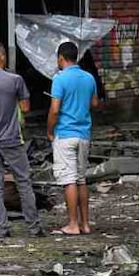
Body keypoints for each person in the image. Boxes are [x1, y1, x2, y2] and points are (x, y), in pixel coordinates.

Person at [0, 42, 42, 238]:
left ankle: (2, 228)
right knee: (23, 182)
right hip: (12, 139)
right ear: (2, 57)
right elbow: (26, 107)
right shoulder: (15, 80)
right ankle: (33, 227)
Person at [48, 41, 99, 235]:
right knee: (81, 179)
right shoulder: (89, 77)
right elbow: (94, 103)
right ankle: (86, 224)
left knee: (68, 179)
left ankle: (72, 224)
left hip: (65, 134)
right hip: (84, 134)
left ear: (61, 58)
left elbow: (54, 110)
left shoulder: (59, 79)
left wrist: (50, 131)